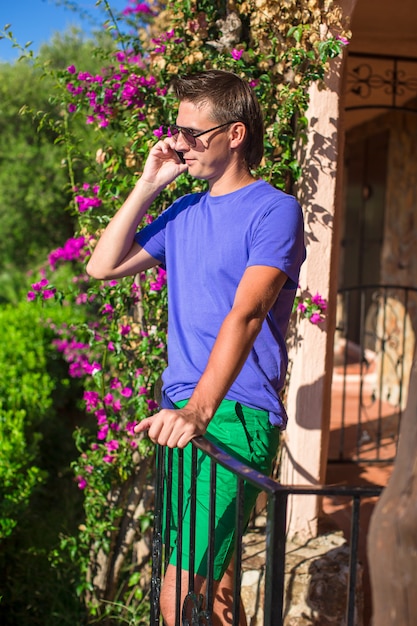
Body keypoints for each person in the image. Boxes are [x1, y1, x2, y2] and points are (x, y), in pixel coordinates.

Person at [86, 69, 305, 626]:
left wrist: (199, 409)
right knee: (215, 593)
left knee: (180, 595)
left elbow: (248, 312)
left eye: (191, 133)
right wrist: (148, 184)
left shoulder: (273, 209)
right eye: (175, 132)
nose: (178, 144)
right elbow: (102, 266)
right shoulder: (183, 213)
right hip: (182, 421)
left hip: (230, 415)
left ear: (234, 134)